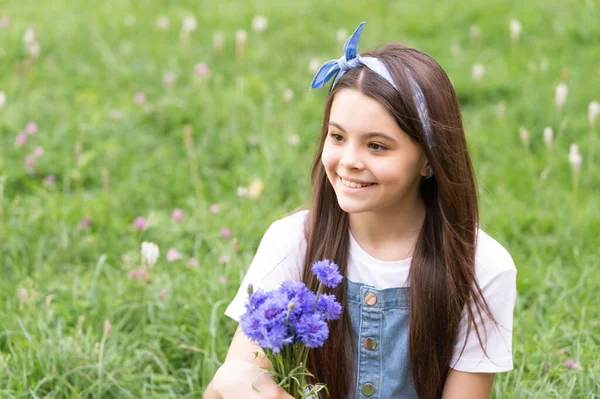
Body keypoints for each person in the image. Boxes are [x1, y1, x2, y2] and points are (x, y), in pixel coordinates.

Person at [204, 21, 517, 399]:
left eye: (377, 146)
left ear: (429, 160)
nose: (349, 160)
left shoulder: (481, 266)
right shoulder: (292, 241)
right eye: (338, 137)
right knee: (231, 378)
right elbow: (238, 378)